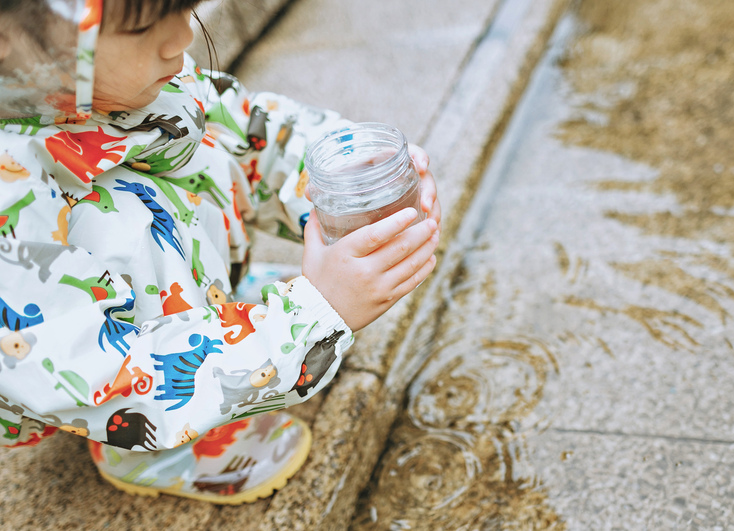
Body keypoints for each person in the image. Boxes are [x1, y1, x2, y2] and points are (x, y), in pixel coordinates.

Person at [0, 0, 440, 504]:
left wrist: (349, 180)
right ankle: (157, 457)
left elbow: (251, 134)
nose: (180, 40)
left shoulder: (116, 76)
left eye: (183, 9)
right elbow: (88, 370)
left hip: (134, 301)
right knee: (120, 217)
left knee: (203, 137)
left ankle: (212, 305)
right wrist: (308, 320)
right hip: (98, 378)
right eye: (145, 26)